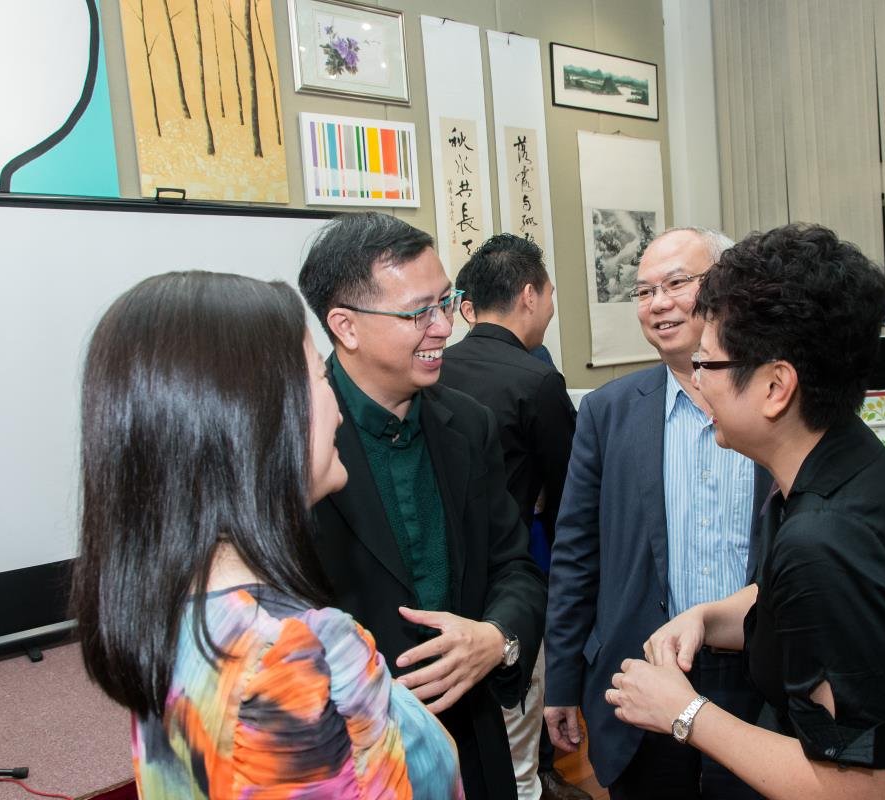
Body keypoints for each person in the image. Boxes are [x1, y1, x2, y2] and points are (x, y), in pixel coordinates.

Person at [607, 224, 885, 800]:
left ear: (777, 387)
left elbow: (857, 790)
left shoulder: (824, 545)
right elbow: (806, 608)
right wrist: (708, 617)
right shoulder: (847, 458)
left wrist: (684, 712)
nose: (698, 383)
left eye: (708, 365)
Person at [71, 271, 463, 798]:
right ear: (260, 418)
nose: (336, 407)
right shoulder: (294, 654)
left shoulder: (167, 611)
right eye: (320, 376)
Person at [298, 212, 548, 800]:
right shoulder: (299, 444)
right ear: (346, 326)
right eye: (418, 313)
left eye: (446, 302)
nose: (443, 327)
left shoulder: (469, 424)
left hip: (473, 737)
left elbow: (514, 566)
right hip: (354, 756)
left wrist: (497, 637)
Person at [545, 227, 771, 799]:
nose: (658, 304)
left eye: (675, 284)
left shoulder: (774, 399)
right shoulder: (608, 412)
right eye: (644, 291)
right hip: (645, 675)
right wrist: (562, 680)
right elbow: (576, 553)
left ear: (724, 288)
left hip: (761, 672)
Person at [439, 234, 582, 800]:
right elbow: (572, 492)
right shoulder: (536, 380)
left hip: (447, 580)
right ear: (529, 295)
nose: (550, 306)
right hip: (511, 581)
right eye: (549, 294)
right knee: (516, 752)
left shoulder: (436, 368)